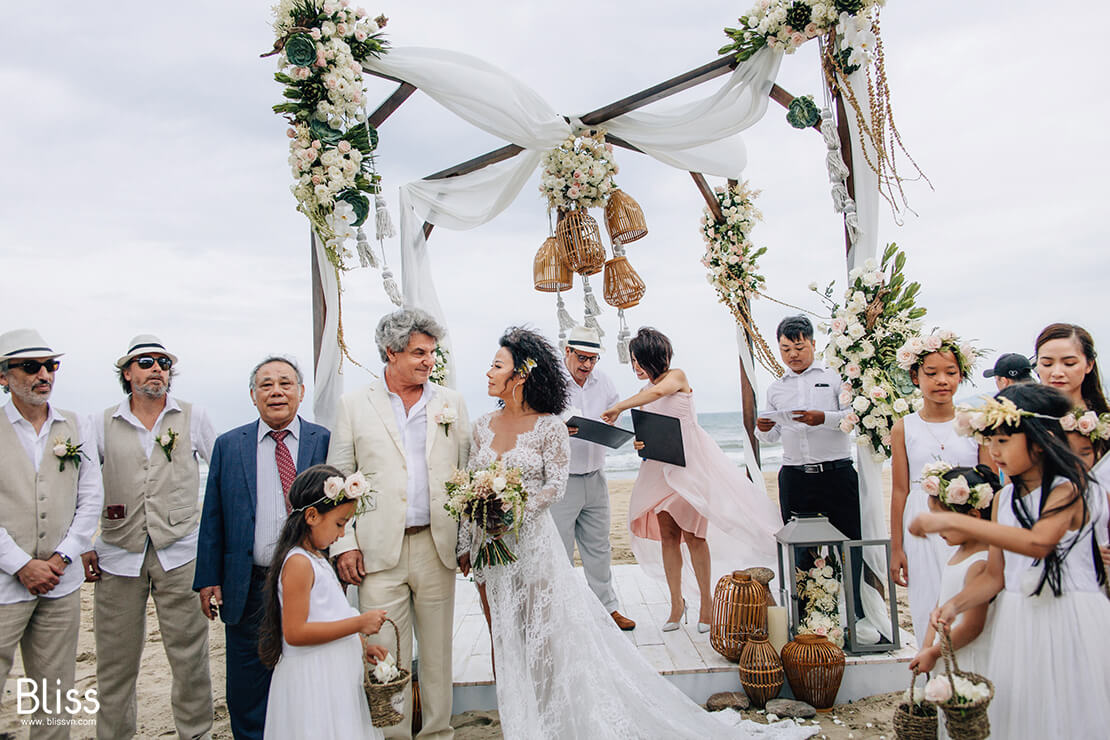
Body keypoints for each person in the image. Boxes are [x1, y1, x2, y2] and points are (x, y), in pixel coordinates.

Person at [462, 327, 812, 740]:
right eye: (583, 357)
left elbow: (639, 404)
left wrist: (614, 413)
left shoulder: (667, 378)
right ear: (568, 354)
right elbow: (472, 481)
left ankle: (685, 611)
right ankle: (673, 608)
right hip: (510, 536)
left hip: (666, 470)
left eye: (496, 366)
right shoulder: (483, 425)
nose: (488, 372)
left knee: (674, 540)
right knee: (502, 626)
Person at [911, 384, 1110, 739]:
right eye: (989, 441)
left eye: (1003, 441)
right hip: (1020, 623)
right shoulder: (1004, 499)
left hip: (1069, 619)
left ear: (1040, 440)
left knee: (1068, 715)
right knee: (1023, 716)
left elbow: (1039, 543)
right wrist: (956, 603)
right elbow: (996, 577)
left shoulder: (1069, 488)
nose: (993, 451)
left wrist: (952, 519)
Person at [328, 308, 470, 740]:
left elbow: (463, 477)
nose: (429, 361)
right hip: (375, 552)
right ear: (390, 353)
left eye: (432, 353)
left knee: (437, 654)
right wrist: (343, 545)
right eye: (418, 353)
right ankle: (392, 735)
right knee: (384, 651)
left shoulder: (451, 402)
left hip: (436, 546)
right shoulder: (353, 405)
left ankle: (437, 733)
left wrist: (464, 540)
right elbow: (336, 481)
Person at [602, 327, 781, 633]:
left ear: (654, 357)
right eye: (633, 360)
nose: (634, 366)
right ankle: (676, 604)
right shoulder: (645, 394)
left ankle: (707, 606)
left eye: (637, 359)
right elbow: (652, 421)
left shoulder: (676, 377)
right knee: (669, 537)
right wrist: (641, 444)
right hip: (658, 469)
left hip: (688, 469)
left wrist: (619, 406)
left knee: (695, 536)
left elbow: (658, 393)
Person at [81, 335, 215, 739]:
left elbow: (223, 478)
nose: (156, 368)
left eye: (162, 362)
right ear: (127, 373)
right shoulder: (100, 423)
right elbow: (84, 487)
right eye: (145, 362)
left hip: (181, 553)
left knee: (190, 660)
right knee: (115, 664)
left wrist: (211, 548)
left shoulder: (195, 417)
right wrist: (84, 542)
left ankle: (197, 734)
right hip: (118, 556)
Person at [193, 356, 331, 740]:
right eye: (266, 384)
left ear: (301, 392)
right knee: (248, 683)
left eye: (285, 383)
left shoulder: (325, 441)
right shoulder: (228, 445)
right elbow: (214, 515)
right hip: (248, 582)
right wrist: (208, 579)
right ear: (253, 396)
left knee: (308, 673)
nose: (276, 391)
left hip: (310, 583)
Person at [0, 329, 102, 739]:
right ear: (4, 376)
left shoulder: (77, 425)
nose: (44, 374)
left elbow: (90, 497)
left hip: (61, 582)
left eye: (50, 365)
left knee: (54, 694)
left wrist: (61, 558)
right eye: (31, 366)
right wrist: (21, 564)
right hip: (5, 584)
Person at [259, 464, 388, 740]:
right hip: (313, 683)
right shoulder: (298, 563)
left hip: (332, 674)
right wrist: (358, 624)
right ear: (312, 516)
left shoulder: (317, 558)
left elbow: (325, 617)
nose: (341, 535)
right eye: (340, 524)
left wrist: (357, 647)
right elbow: (295, 633)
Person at [754, 315, 861, 613]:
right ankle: (808, 616)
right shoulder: (776, 389)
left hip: (837, 474)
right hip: (795, 477)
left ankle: (855, 614)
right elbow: (771, 436)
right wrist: (762, 428)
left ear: (813, 343)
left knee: (849, 546)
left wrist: (822, 418)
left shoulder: (836, 379)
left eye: (799, 347)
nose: (793, 354)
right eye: (786, 349)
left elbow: (854, 419)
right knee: (801, 550)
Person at [888, 331, 986, 645]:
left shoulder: (975, 422)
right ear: (916, 378)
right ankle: (931, 672)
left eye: (950, 373)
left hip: (967, 518)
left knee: (965, 593)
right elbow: (900, 490)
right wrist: (896, 547)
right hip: (921, 520)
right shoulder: (904, 427)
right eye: (931, 373)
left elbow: (989, 480)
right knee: (926, 597)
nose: (941, 380)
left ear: (961, 377)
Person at [551, 325, 634, 630]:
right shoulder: (551, 383)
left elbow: (615, 415)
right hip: (562, 479)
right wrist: (559, 429)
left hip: (596, 475)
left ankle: (607, 609)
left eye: (593, 359)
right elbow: (536, 423)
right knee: (559, 549)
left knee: (599, 546)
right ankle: (561, 614)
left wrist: (612, 420)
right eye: (582, 358)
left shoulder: (606, 382)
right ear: (567, 352)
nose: (587, 365)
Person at [908, 465, 999, 740]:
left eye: (943, 522)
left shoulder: (980, 562)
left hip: (969, 656)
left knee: (969, 724)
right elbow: (939, 603)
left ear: (972, 516)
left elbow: (972, 626)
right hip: (946, 653)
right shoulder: (959, 553)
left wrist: (935, 653)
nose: (939, 531)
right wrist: (926, 647)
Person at [1034, 322, 1109, 415]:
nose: (1057, 373)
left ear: (1089, 365)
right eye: (1047, 364)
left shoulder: (1105, 420)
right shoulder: (1020, 417)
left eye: (1069, 364)